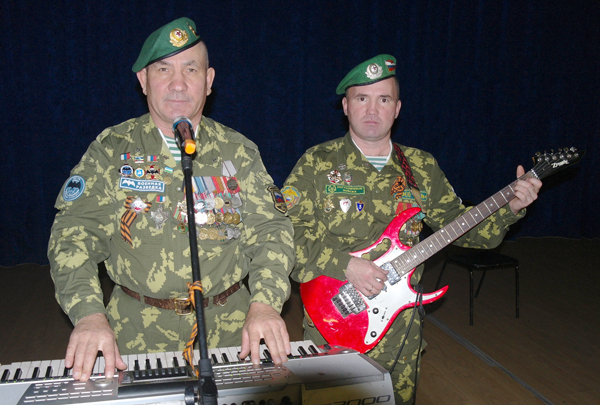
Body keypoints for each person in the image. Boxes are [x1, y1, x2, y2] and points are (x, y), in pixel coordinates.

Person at [282, 54, 542, 404]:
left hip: (401, 329)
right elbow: (286, 234)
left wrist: (510, 209)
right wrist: (346, 265)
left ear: (397, 108)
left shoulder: (421, 166)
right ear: (345, 106)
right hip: (336, 321)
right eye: (362, 98)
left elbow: (464, 229)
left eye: (383, 99)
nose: (372, 109)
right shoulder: (317, 163)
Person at [48, 17, 295, 382]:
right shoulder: (111, 149)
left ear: (208, 81)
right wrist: (88, 315)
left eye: (190, 70)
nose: (178, 83)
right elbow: (73, 236)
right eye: (163, 69)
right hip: (134, 336)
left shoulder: (238, 152)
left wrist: (265, 304)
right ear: (143, 80)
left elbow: (271, 232)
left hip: (232, 332)